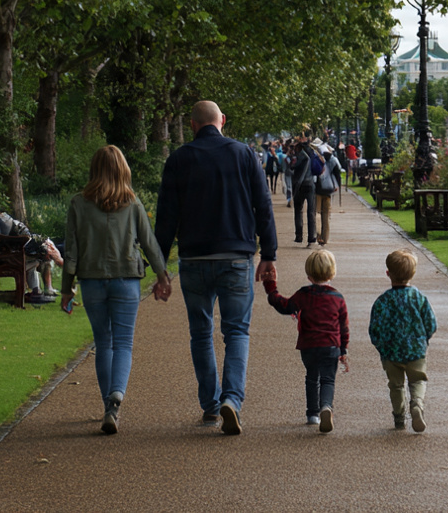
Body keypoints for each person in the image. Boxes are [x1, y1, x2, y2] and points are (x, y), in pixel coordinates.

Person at [154, 100, 278, 435]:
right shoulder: (244, 154)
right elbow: (263, 206)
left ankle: (210, 403)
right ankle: (232, 399)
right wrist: (269, 254)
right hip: (236, 255)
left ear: (193, 125)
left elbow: (166, 217)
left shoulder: (179, 159)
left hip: (193, 258)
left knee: (200, 332)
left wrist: (160, 267)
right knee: (236, 331)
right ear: (222, 120)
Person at [59, 146, 171, 435]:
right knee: (123, 342)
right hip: (126, 280)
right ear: (123, 170)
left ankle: (108, 404)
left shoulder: (78, 204)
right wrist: (162, 275)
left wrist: (66, 288)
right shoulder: (132, 204)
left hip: (92, 280)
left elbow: (71, 250)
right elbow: (149, 243)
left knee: (103, 342)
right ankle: (116, 398)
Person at [263, 250, 349, 432]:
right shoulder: (338, 298)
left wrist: (271, 288)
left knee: (312, 378)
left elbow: (283, 305)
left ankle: (312, 414)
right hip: (331, 344)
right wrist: (343, 350)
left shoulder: (303, 295)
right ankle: (326, 407)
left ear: (309, 275)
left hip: (308, 346)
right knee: (328, 380)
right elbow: (344, 327)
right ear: (333, 273)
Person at [0, 180, 63, 303]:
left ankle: (37, 291)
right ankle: (61, 266)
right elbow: (0, 235)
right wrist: (17, 235)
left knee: (43, 246)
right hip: (5, 254)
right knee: (44, 246)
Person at [369, 248, 437, 433]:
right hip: (415, 349)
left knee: (396, 385)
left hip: (391, 351)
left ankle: (399, 417)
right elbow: (431, 323)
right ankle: (417, 404)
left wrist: (381, 346)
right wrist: (424, 339)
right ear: (413, 274)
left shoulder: (383, 300)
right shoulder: (418, 298)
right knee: (418, 381)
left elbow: (375, 328)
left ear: (388, 273)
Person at [314, 144, 344, 247]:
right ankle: (325, 238)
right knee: (326, 215)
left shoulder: (317, 159)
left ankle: (318, 235)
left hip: (318, 190)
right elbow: (338, 174)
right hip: (328, 190)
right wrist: (337, 186)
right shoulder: (333, 160)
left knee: (317, 213)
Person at [289, 138, 317, 246]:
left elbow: (291, 168)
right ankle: (311, 237)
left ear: (299, 147)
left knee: (298, 211)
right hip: (310, 185)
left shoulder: (301, 157)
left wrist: (290, 157)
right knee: (311, 212)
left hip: (300, 186)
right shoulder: (311, 155)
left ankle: (299, 236)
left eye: (294, 147)